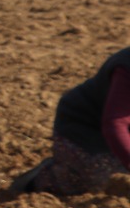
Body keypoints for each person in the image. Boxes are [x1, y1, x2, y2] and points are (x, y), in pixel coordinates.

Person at [12, 46, 130, 195]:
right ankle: (44, 177)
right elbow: (115, 124)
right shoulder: (126, 68)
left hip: (121, 132)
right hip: (84, 128)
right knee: (102, 178)